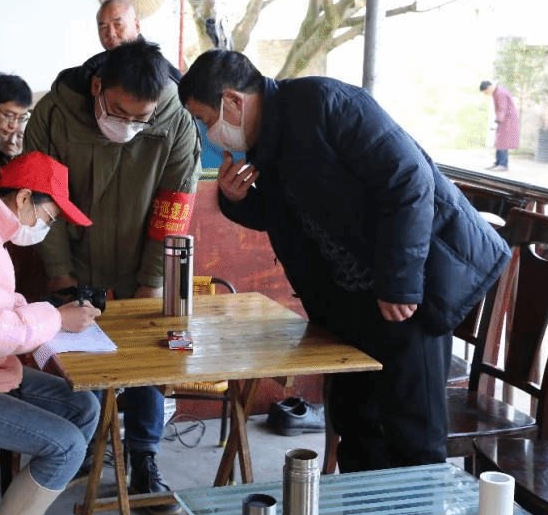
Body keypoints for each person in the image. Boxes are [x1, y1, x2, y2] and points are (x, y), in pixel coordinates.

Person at [179, 50, 511, 472]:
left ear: (232, 101)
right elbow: (283, 216)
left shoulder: (326, 104)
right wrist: (236, 199)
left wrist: (399, 283)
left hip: (410, 293)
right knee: (356, 427)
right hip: (348, 306)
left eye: (206, 119)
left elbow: (410, 181)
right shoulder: (265, 141)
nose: (209, 134)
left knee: (413, 439)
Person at [24, 39, 201, 515]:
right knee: (82, 362)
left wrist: (152, 280)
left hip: (142, 261)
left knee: (147, 361)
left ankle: (143, 457)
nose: (128, 125)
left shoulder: (176, 122)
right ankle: (84, 449)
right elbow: (40, 197)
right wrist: (60, 273)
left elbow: (174, 205)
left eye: (141, 118)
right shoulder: (55, 115)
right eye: (119, 112)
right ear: (97, 87)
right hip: (76, 258)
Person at [0, 150, 101, 515]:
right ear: (24, 198)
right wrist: (55, 319)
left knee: (84, 405)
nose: (47, 227)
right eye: (49, 217)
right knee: (67, 445)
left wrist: (54, 322)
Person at [94, 0, 181, 81]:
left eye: (118, 25)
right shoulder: (97, 67)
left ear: (136, 26)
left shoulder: (155, 69)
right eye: (103, 27)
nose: (111, 34)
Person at [479, 80, 520, 171]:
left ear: (489, 87)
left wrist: (499, 120)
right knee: (499, 142)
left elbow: (502, 108)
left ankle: (503, 164)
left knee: (503, 142)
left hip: (507, 120)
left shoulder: (500, 93)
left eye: (485, 92)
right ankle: (498, 162)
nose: (486, 94)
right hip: (504, 120)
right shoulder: (496, 92)